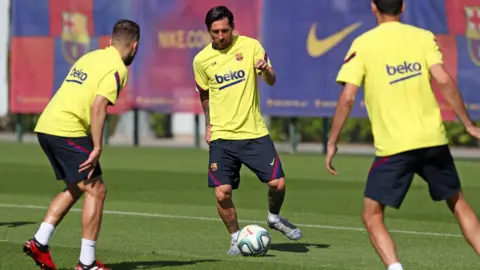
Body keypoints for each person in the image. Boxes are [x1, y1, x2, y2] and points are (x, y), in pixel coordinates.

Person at [326, 0, 480, 269]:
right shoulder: (422, 37)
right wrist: (467, 123)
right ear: (403, 7)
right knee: (457, 202)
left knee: (372, 215)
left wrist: (332, 142)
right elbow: (443, 79)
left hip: (395, 147)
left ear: (373, 7)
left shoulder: (363, 44)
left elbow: (348, 97)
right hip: (433, 140)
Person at [22, 19, 140, 270]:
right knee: (97, 190)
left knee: (77, 187)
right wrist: (97, 146)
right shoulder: (118, 68)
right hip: (67, 129)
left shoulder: (91, 57)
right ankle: (87, 264)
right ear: (135, 46)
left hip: (47, 126)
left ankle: (39, 243)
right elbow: (98, 105)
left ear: (110, 41)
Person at [193, 5, 302, 255]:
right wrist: (209, 124)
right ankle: (235, 239)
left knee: (278, 183)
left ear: (233, 27)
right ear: (209, 31)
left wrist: (266, 70)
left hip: (253, 132)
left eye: (224, 30)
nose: (220, 36)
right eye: (215, 32)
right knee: (222, 193)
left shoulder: (251, 46)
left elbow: (272, 79)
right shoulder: (201, 60)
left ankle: (274, 218)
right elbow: (205, 94)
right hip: (222, 136)